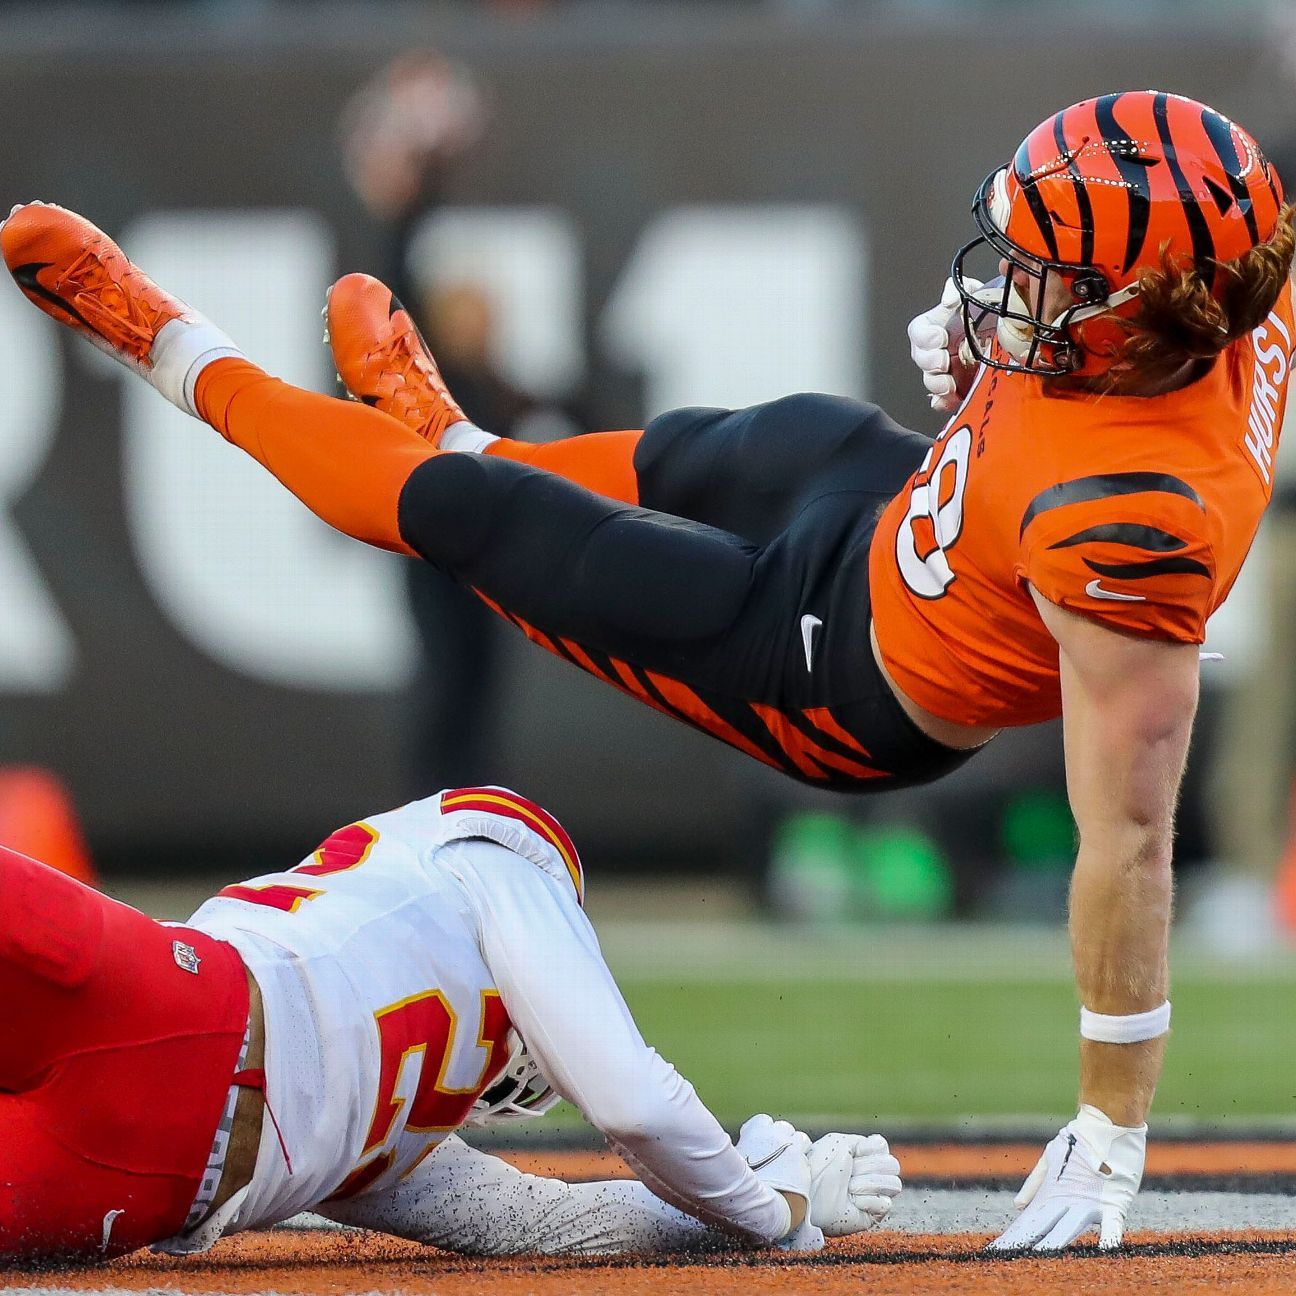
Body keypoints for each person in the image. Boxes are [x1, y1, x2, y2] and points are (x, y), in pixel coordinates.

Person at [3, 88, 1290, 1253]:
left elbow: (1127, 840)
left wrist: (1113, 1126)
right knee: (778, 439)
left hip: (839, 677)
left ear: (1134, 321)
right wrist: (988, 384)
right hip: (899, 518)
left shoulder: (1139, 521)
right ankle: (465, 435)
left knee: (476, 526)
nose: (1010, 282)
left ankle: (171, 349)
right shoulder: (1228, 292)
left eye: (1048, 276)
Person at [0, 789, 901, 1263]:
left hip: (162, 1017)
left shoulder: (395, 1142)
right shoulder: (497, 868)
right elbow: (627, 1112)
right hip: (159, 1132)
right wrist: (770, 1209)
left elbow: (559, 1221)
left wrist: (749, 1190)